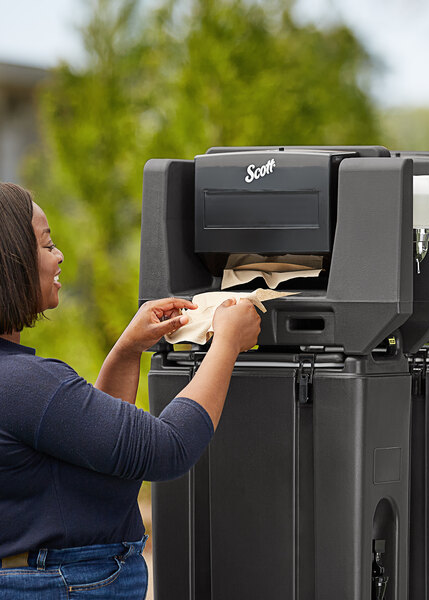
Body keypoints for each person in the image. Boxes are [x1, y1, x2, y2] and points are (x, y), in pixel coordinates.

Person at [0, 181, 261, 599]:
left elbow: (105, 452)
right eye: (47, 245)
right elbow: (166, 448)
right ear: (11, 264)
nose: (59, 255)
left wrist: (127, 350)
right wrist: (227, 343)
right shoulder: (26, 385)